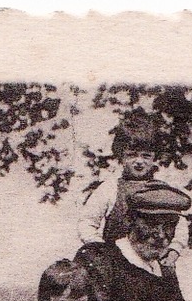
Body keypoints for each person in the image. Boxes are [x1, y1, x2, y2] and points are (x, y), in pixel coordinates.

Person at [78, 112, 186, 274]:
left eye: (146, 156)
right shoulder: (109, 189)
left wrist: (174, 249)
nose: (139, 161)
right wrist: (101, 250)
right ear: (121, 157)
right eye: (131, 155)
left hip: (154, 266)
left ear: (154, 157)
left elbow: (180, 223)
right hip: (117, 268)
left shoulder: (162, 189)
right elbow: (87, 222)